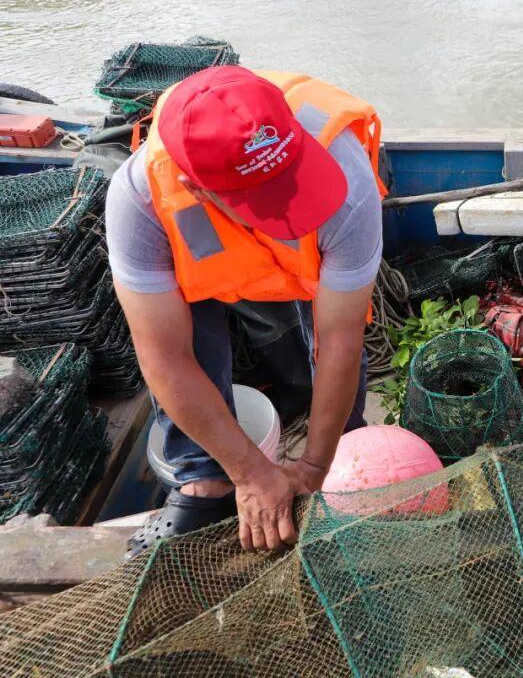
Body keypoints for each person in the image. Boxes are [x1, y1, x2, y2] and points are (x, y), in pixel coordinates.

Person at [105, 66, 385, 556]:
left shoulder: (347, 183)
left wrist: (316, 466)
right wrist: (250, 474)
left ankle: (346, 451)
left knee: (327, 346)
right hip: (203, 256)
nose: (293, 203)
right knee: (191, 334)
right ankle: (203, 483)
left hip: (307, 266)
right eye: (266, 200)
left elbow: (339, 338)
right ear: (197, 188)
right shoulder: (139, 201)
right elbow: (164, 357)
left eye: (291, 181)